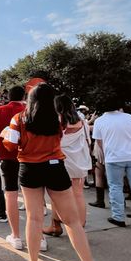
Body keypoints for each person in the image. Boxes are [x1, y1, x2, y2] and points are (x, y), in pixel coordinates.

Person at [2, 83, 110, 261]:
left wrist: (7, 134)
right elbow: (59, 138)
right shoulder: (58, 119)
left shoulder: (18, 119)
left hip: (29, 169)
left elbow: (10, 146)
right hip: (55, 168)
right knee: (72, 221)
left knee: (34, 218)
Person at [0, 85, 30, 247]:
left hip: (7, 157)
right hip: (29, 158)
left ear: (9, 97)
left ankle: (16, 237)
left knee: (10, 195)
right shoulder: (31, 109)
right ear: (24, 96)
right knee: (33, 198)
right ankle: (40, 238)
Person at [45, 95, 92, 235]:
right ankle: (80, 226)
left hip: (61, 161)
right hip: (79, 162)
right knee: (78, 194)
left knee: (56, 194)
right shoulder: (82, 121)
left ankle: (55, 225)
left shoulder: (56, 121)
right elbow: (87, 141)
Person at [92, 97, 131, 228]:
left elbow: (99, 141)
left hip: (114, 158)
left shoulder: (99, 121)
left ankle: (118, 217)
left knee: (115, 187)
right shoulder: (129, 118)